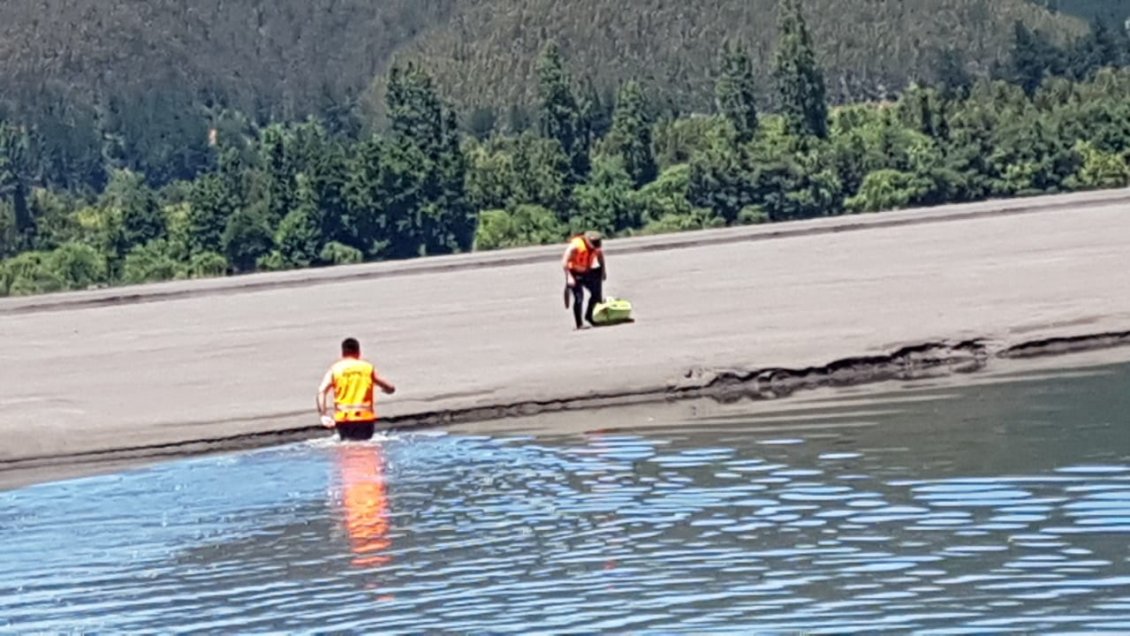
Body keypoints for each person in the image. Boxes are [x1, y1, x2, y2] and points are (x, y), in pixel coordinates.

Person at [316, 338, 396, 441]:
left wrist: (323, 415)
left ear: (343, 353)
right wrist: (387, 390)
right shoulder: (367, 368)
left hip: (344, 418)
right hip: (365, 418)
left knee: (347, 447)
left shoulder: (335, 369)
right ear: (358, 352)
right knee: (365, 447)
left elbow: (322, 391)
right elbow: (390, 388)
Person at [562, 230, 607, 329]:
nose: (596, 246)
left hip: (586, 271)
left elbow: (600, 257)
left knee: (596, 294)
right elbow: (564, 260)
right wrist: (569, 277)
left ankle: (589, 316)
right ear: (587, 241)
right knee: (579, 297)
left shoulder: (596, 247)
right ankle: (579, 324)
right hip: (574, 272)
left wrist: (603, 272)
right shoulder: (576, 245)